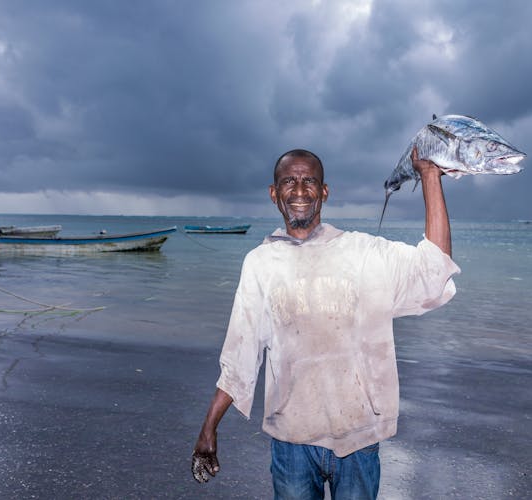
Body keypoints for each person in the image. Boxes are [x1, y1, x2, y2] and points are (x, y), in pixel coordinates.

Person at [192, 146, 460, 499]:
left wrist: (428, 176)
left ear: (324, 192)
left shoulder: (364, 254)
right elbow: (240, 354)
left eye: (309, 182)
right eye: (289, 181)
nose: (299, 191)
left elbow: (434, 270)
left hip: (359, 437)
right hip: (292, 441)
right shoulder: (261, 263)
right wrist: (209, 427)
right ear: (274, 194)